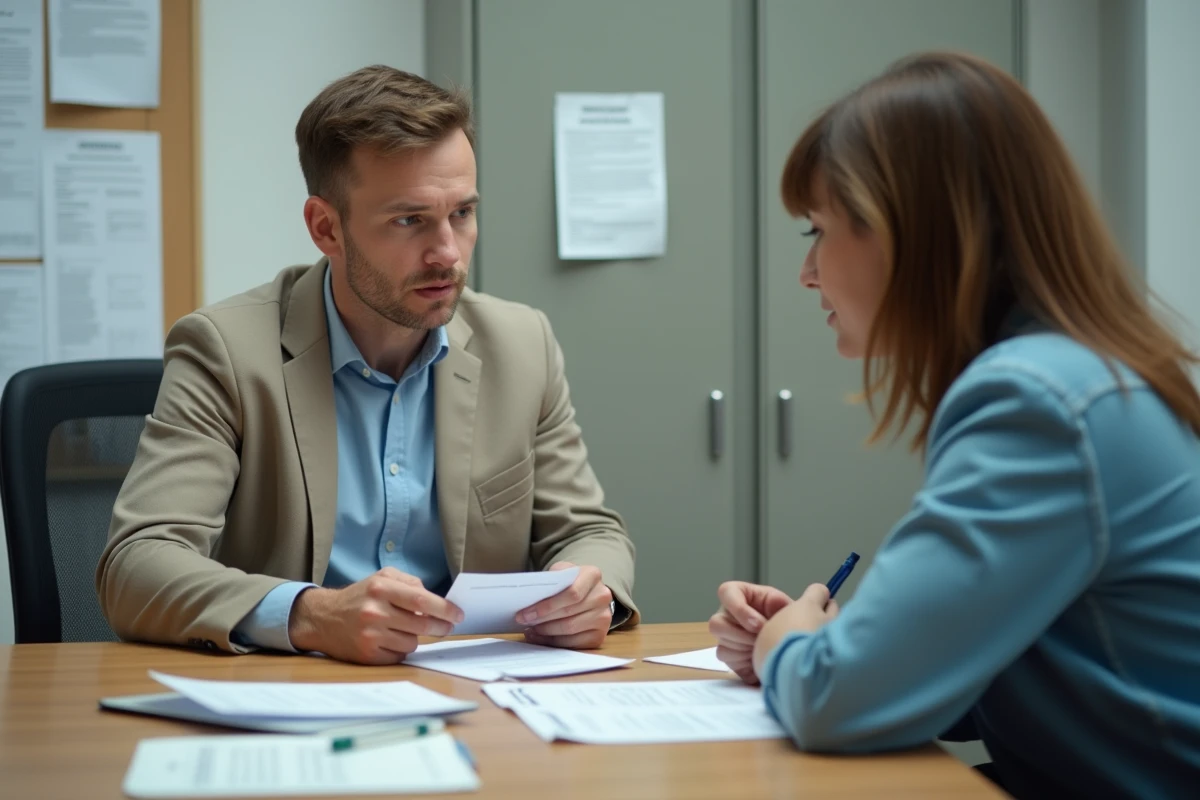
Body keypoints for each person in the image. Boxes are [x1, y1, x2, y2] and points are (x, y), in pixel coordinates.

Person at [709, 51, 1200, 798]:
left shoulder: (1037, 401)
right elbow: (1002, 680)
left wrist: (792, 645)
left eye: (817, 231)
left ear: (905, 232)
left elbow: (838, 702)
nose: (807, 274)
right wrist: (841, 648)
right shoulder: (1076, 375)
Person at [97, 65, 637, 664]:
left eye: (462, 213)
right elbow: (137, 563)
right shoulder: (227, 351)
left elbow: (590, 532)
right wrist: (312, 615)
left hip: (477, 692)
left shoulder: (521, 344)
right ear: (326, 228)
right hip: (297, 690)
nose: (447, 253)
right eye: (409, 220)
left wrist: (589, 592)